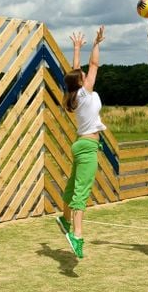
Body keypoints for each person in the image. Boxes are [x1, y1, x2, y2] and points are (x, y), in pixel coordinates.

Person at [56, 25, 106, 259]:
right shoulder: (84, 93)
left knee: (73, 184)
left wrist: (76, 48)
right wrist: (96, 44)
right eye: (83, 75)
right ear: (81, 82)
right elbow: (93, 64)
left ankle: (65, 219)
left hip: (81, 144)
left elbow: (76, 70)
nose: (86, 74)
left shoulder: (74, 93)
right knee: (81, 191)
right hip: (87, 146)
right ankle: (76, 235)